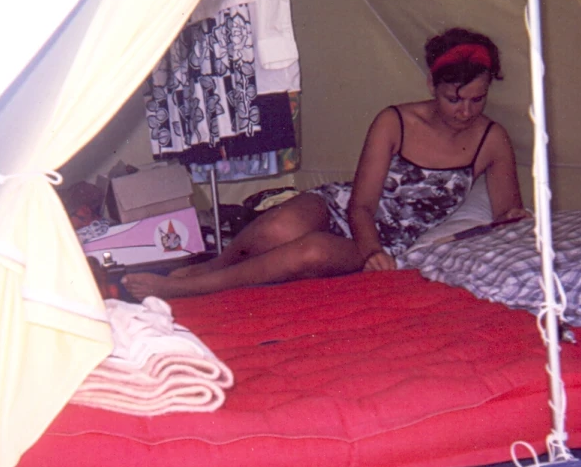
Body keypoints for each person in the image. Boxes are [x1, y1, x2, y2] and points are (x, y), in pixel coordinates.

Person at [121, 27, 528, 300]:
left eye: (477, 99)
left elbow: (506, 212)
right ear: (432, 87)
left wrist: (514, 217)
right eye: (453, 99)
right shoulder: (396, 121)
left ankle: (195, 288)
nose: (464, 111)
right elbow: (361, 205)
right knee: (278, 226)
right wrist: (369, 251)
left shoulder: (491, 140)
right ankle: (213, 265)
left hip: (392, 243)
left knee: (311, 253)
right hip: (352, 212)